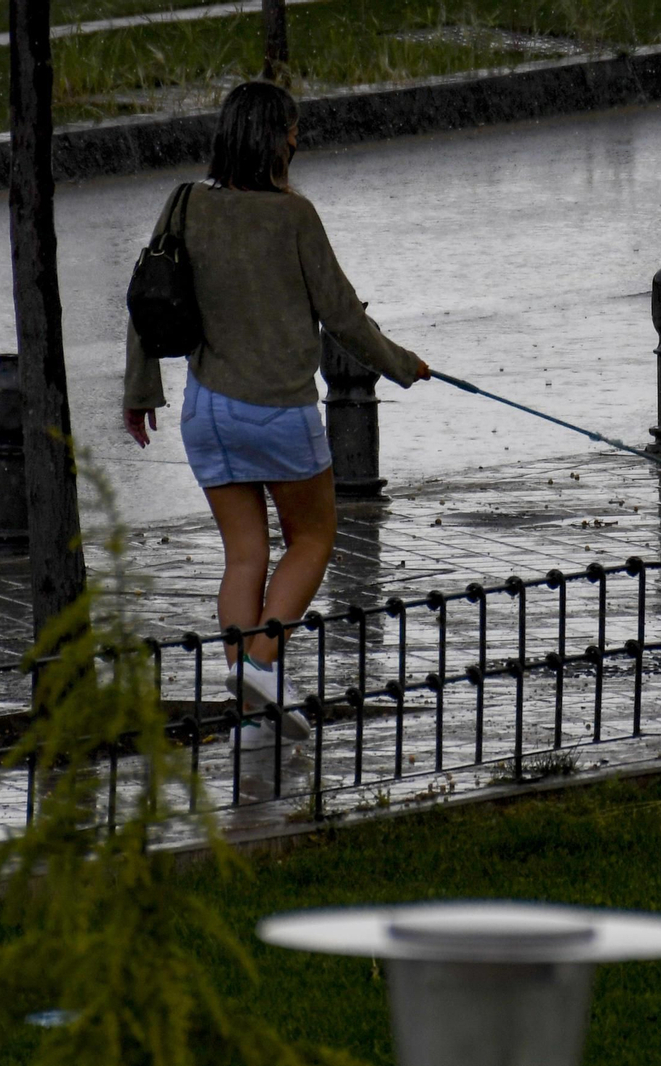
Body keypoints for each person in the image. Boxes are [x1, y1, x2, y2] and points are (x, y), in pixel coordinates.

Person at [123, 81, 430, 750]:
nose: (298, 138)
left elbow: (148, 296)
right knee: (315, 539)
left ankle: (252, 709)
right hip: (277, 412)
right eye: (292, 129)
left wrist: (140, 389)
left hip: (207, 411)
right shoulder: (296, 218)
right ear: (277, 138)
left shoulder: (185, 204)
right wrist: (405, 365)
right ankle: (260, 664)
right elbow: (345, 318)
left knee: (244, 556)